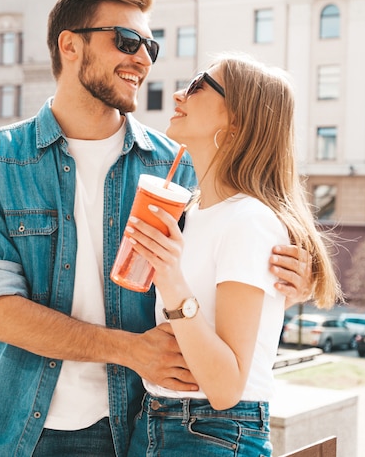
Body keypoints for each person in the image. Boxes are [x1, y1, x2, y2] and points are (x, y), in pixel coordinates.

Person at [0, 0, 314, 456]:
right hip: (7, 427)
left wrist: (293, 278)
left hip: (129, 430)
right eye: (126, 40)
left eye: (150, 47)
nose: (143, 59)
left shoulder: (177, 166)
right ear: (70, 45)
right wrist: (130, 349)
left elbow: (226, 258)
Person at [125, 54, 342, 456]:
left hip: (211, 430)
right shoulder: (193, 209)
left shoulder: (250, 220)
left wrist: (171, 280)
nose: (178, 93)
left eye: (198, 86)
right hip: (160, 422)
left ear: (236, 122)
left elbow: (225, 388)